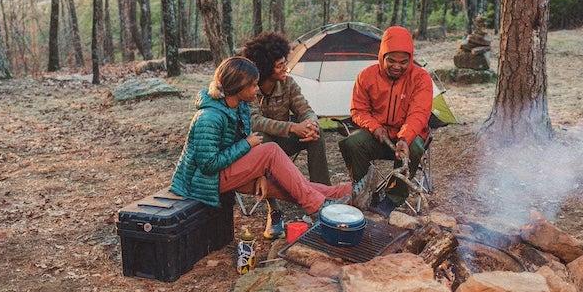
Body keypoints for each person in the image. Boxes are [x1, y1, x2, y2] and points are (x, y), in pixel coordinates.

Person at [170, 56, 351, 239]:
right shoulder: (208, 118)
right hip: (203, 181)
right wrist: (246, 144)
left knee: (286, 187)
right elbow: (208, 165)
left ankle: (345, 192)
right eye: (253, 85)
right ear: (238, 86)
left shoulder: (239, 107)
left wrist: (260, 175)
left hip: (227, 171)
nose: (257, 89)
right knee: (270, 150)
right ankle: (318, 207)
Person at [339, 26, 433, 217]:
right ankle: (363, 188)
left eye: (403, 62)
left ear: (411, 59)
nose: (397, 66)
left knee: (415, 148)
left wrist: (405, 138)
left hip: (406, 139)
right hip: (378, 136)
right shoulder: (366, 76)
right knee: (352, 143)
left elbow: (419, 113)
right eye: (391, 60)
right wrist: (374, 127)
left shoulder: (420, 78)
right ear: (382, 56)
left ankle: (393, 197)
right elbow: (358, 110)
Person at [242, 32, 331, 185]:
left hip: (284, 141)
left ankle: (322, 189)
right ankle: (273, 203)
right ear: (265, 69)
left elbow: (305, 109)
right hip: (257, 146)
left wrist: (310, 124)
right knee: (261, 136)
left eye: (285, 63)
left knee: (316, 132)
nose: (286, 69)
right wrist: (292, 127)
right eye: (279, 66)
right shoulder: (250, 89)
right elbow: (254, 121)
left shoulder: (288, 84)